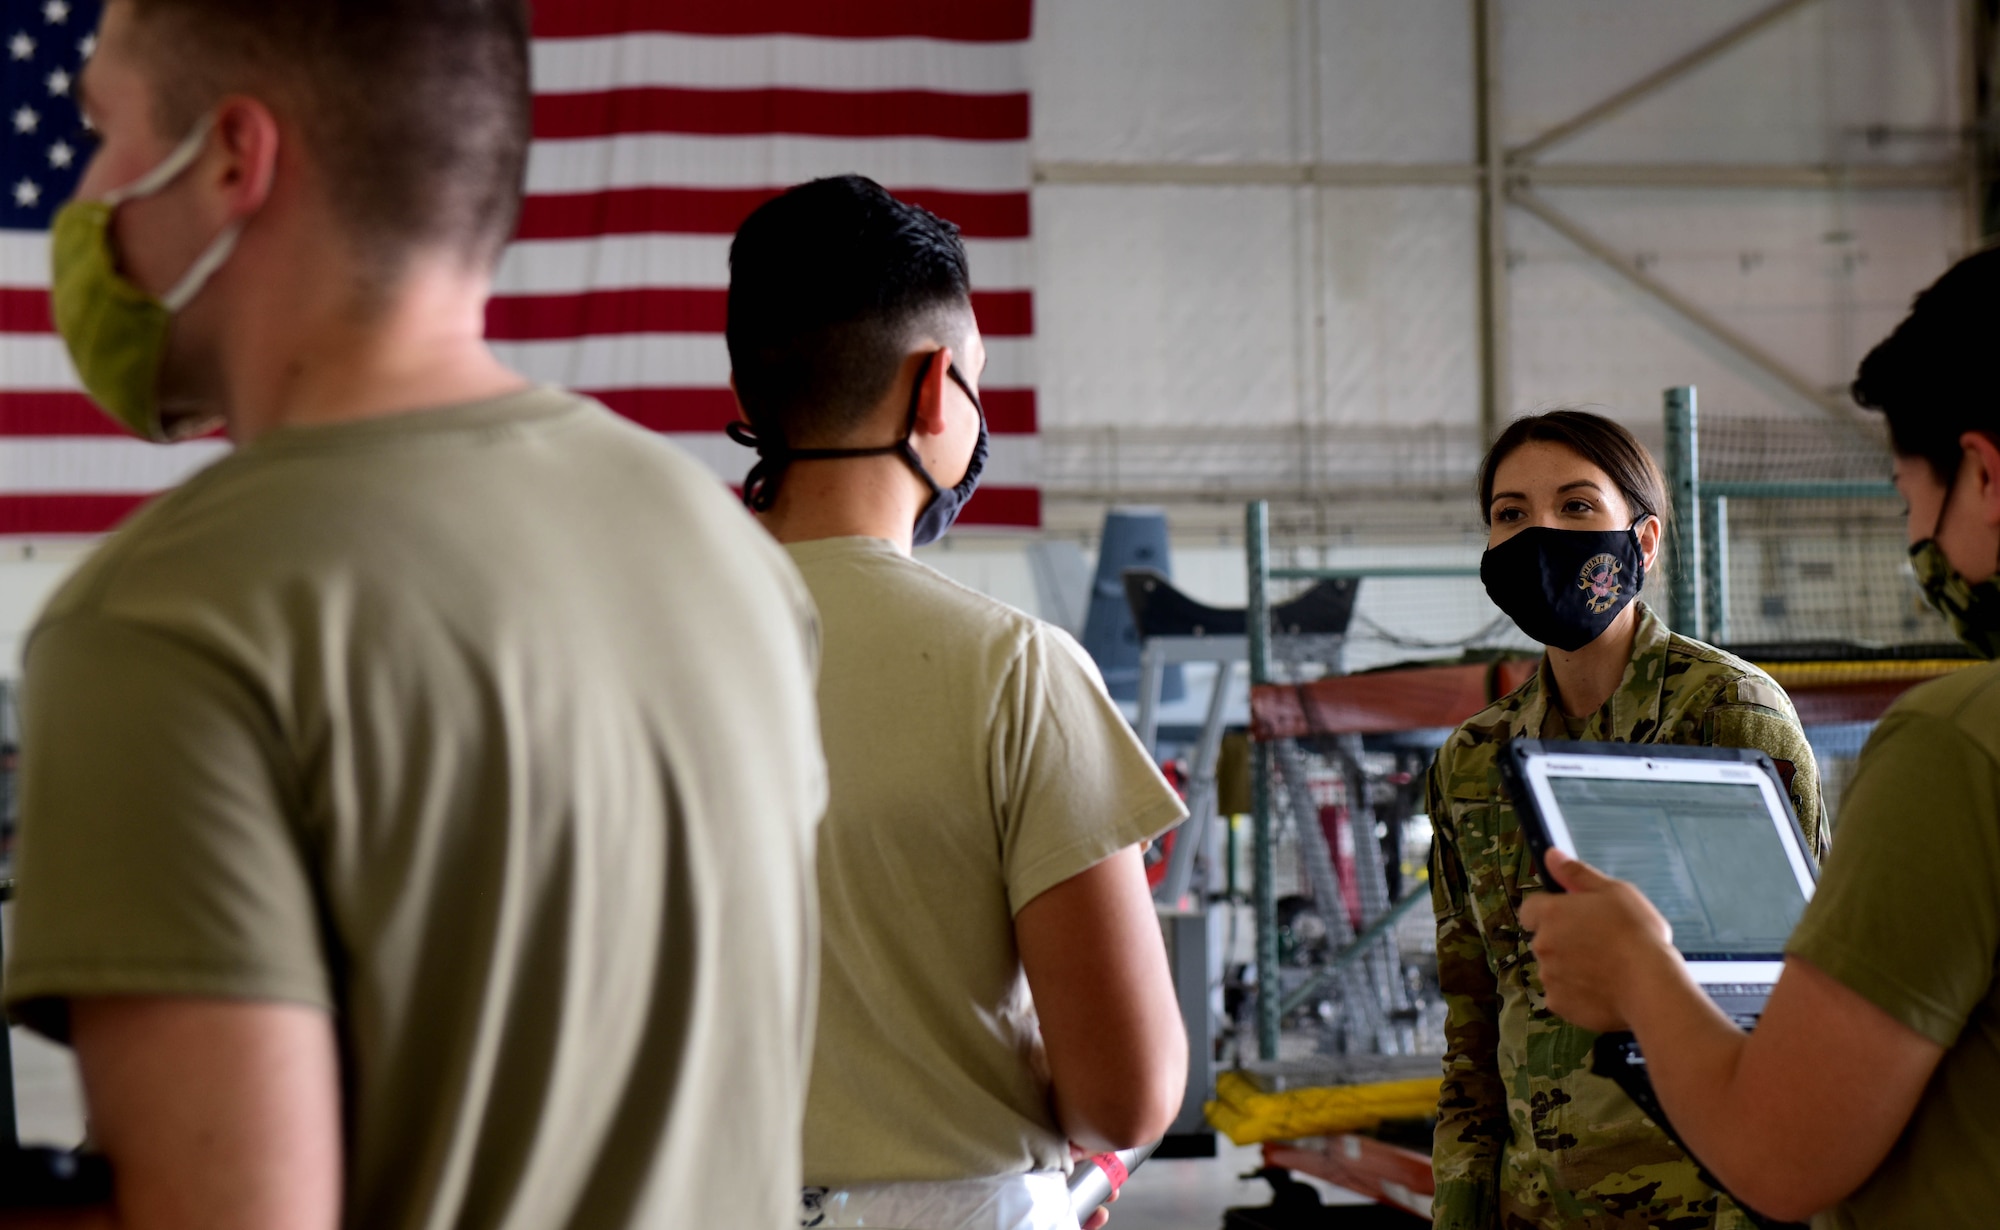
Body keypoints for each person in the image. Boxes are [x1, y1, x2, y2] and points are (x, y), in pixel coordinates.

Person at [4, 3, 826, 1228]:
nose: (87, 197)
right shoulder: (727, 556)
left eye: (104, 132)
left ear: (233, 158)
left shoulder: (168, 622)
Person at [724, 176, 1188, 1230]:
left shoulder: (611, 650)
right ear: (937, 393)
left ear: (751, 400)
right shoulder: (1015, 672)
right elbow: (1126, 1090)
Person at [1523, 248, 2000, 1228]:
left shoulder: (1952, 744)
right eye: (1509, 515)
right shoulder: (1488, 734)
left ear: (1982, 474)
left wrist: (1638, 974)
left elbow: (1781, 1156)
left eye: (1910, 496)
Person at [1428, 409, 1825, 1229]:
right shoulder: (1474, 756)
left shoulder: (1728, 716)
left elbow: (1793, 1007)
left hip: (1701, 1202)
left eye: (1576, 507)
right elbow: (1472, 1021)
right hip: (1531, 1206)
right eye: (1511, 514)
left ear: (1641, 543)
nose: (1541, 533)